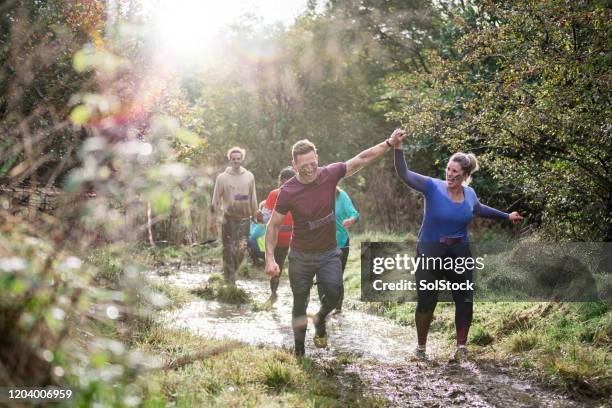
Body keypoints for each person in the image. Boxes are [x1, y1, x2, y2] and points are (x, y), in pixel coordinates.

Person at [265, 129, 407, 356]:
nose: (309, 168)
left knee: (334, 293)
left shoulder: (329, 174)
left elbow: (362, 159)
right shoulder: (288, 191)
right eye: (303, 165)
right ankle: (299, 352)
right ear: (294, 164)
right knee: (299, 304)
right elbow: (272, 225)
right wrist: (270, 258)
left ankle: (320, 319)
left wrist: (389, 143)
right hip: (300, 256)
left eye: (312, 163)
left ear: (317, 158)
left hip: (328, 252)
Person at [394, 139, 522, 361]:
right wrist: (397, 147)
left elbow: (479, 209)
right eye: (448, 169)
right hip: (429, 254)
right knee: (427, 301)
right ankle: (421, 349)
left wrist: (506, 216)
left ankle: (461, 348)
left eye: (455, 171)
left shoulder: (470, 194)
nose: (450, 174)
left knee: (464, 299)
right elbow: (404, 173)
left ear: (465, 175)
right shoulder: (432, 186)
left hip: (459, 254)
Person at [210, 146, 258, 284]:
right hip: (228, 219)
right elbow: (215, 201)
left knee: (241, 250)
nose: (236, 161)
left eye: (238, 159)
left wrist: (256, 215)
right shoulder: (222, 178)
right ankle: (229, 280)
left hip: (245, 219)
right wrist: (212, 221)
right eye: (233, 159)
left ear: (242, 159)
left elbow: (253, 198)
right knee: (228, 250)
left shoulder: (249, 176)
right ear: (229, 159)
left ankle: (233, 273)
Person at [262, 167, 297, 303]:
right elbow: (266, 217)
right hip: (278, 239)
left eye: (290, 183)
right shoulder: (274, 194)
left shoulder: (301, 194)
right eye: (284, 183)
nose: (286, 187)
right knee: (278, 267)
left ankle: (298, 296)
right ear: (280, 182)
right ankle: (273, 293)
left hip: (296, 239)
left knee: (296, 269)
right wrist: (262, 217)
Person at [332, 187, 359, 313]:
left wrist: (351, 220)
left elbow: (354, 213)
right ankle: (326, 303)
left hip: (341, 242)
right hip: (322, 243)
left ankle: (338, 306)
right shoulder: (318, 195)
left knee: (337, 275)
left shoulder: (341, 196)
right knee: (323, 274)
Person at [247, 201, 267, 266]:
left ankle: (256, 261)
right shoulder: (263, 224)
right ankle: (260, 261)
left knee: (247, 239)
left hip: (263, 251)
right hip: (267, 251)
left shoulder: (260, 226)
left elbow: (252, 236)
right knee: (249, 241)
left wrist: (251, 224)